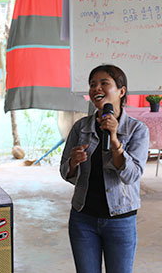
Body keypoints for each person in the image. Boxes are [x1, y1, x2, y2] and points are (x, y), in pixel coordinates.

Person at [60, 64, 149, 273]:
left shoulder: (137, 130)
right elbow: (65, 172)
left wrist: (115, 139)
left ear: (121, 91)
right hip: (83, 219)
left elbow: (132, 175)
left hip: (121, 220)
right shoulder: (80, 128)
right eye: (92, 85)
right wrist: (73, 162)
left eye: (104, 83)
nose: (96, 88)